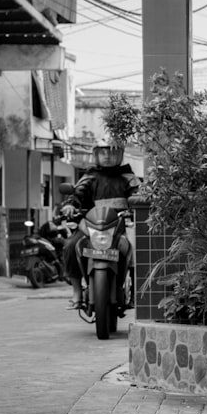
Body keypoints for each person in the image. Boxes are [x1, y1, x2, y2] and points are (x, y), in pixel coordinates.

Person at [60, 132, 140, 307]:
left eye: (111, 152)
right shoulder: (89, 177)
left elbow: (139, 196)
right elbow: (77, 193)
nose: (107, 156)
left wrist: (135, 208)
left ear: (119, 154)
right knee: (71, 245)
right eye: (103, 152)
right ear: (95, 154)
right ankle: (77, 292)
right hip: (91, 226)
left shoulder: (129, 178)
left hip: (122, 225)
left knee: (137, 248)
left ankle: (136, 293)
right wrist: (70, 205)